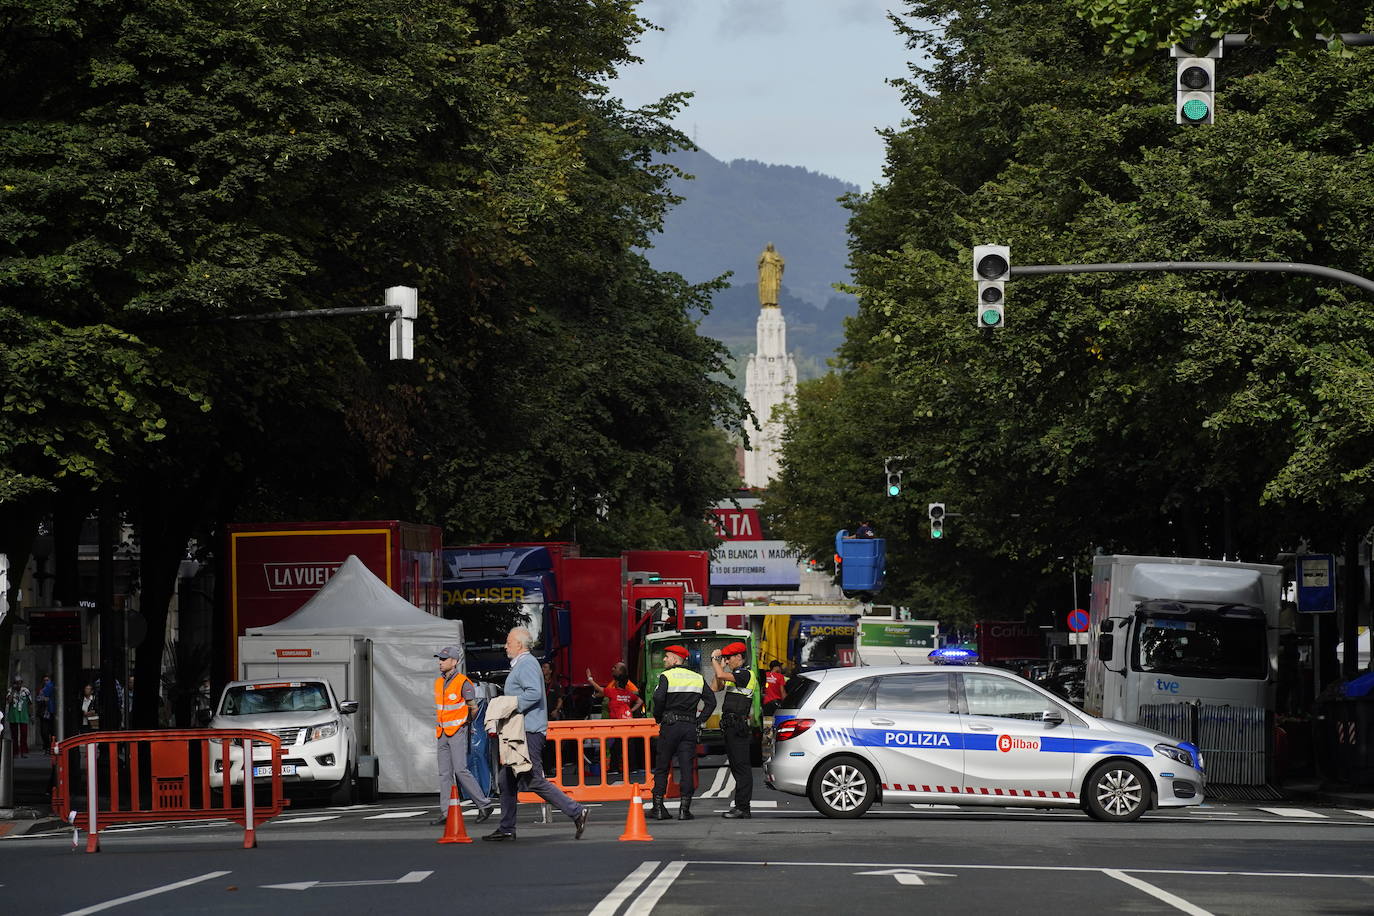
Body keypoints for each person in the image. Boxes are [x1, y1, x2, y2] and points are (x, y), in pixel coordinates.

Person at [483, 627, 588, 841]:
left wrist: (509, 705)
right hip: (523, 731)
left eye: (508, 643)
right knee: (506, 781)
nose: (505, 646)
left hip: (528, 731)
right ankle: (506, 828)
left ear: (519, 645)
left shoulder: (527, 663)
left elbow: (534, 693)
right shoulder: (525, 664)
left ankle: (577, 811)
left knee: (532, 779)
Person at [650, 644, 715, 821]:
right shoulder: (697, 678)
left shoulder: (666, 676)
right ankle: (684, 810)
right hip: (689, 727)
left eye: (667, 656)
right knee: (687, 767)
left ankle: (658, 808)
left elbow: (657, 697)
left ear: (676, 659)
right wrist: (699, 721)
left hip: (670, 725)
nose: (664, 659)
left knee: (663, 766)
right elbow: (711, 702)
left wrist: (658, 716)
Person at [431, 646, 494, 826]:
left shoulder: (463, 682)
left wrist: (465, 725)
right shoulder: (438, 683)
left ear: (454, 661)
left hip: (457, 731)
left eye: (443, 659)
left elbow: (473, 708)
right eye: (440, 659)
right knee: (444, 773)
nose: (440, 662)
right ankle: (446, 812)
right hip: (442, 732)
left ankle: (484, 804)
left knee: (460, 770)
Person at [712, 641, 758, 818]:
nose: (727, 661)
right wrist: (719, 666)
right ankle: (740, 806)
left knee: (742, 768)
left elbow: (721, 674)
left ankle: (743, 808)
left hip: (738, 725)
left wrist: (715, 660)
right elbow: (715, 687)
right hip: (730, 726)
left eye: (729, 658)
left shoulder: (745, 673)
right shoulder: (733, 675)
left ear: (739, 657)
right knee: (736, 768)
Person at [587, 663, 644, 775]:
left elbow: (599, 689)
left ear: (617, 682)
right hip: (627, 723)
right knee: (628, 746)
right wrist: (631, 710)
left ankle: (614, 769)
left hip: (616, 724)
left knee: (615, 747)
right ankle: (632, 768)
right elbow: (640, 701)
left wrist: (590, 679)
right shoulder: (628, 693)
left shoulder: (612, 692)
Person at [6, 676, 33, 756]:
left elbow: (30, 704)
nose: (18, 685)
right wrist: (13, 691)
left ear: (22, 683)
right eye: (16, 683)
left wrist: (31, 715)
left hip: (23, 716)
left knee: (24, 735)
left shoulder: (26, 691)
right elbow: (9, 701)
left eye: (19, 683)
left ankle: (23, 751)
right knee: (14, 735)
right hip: (13, 716)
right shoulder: (10, 691)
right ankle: (15, 752)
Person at [37, 675, 56, 752]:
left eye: (47, 680)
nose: (46, 682)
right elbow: (38, 699)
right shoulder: (42, 690)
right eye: (45, 680)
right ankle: (46, 745)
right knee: (44, 732)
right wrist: (44, 699)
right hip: (44, 714)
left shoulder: (54, 689)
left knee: (52, 731)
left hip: (52, 714)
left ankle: (51, 746)